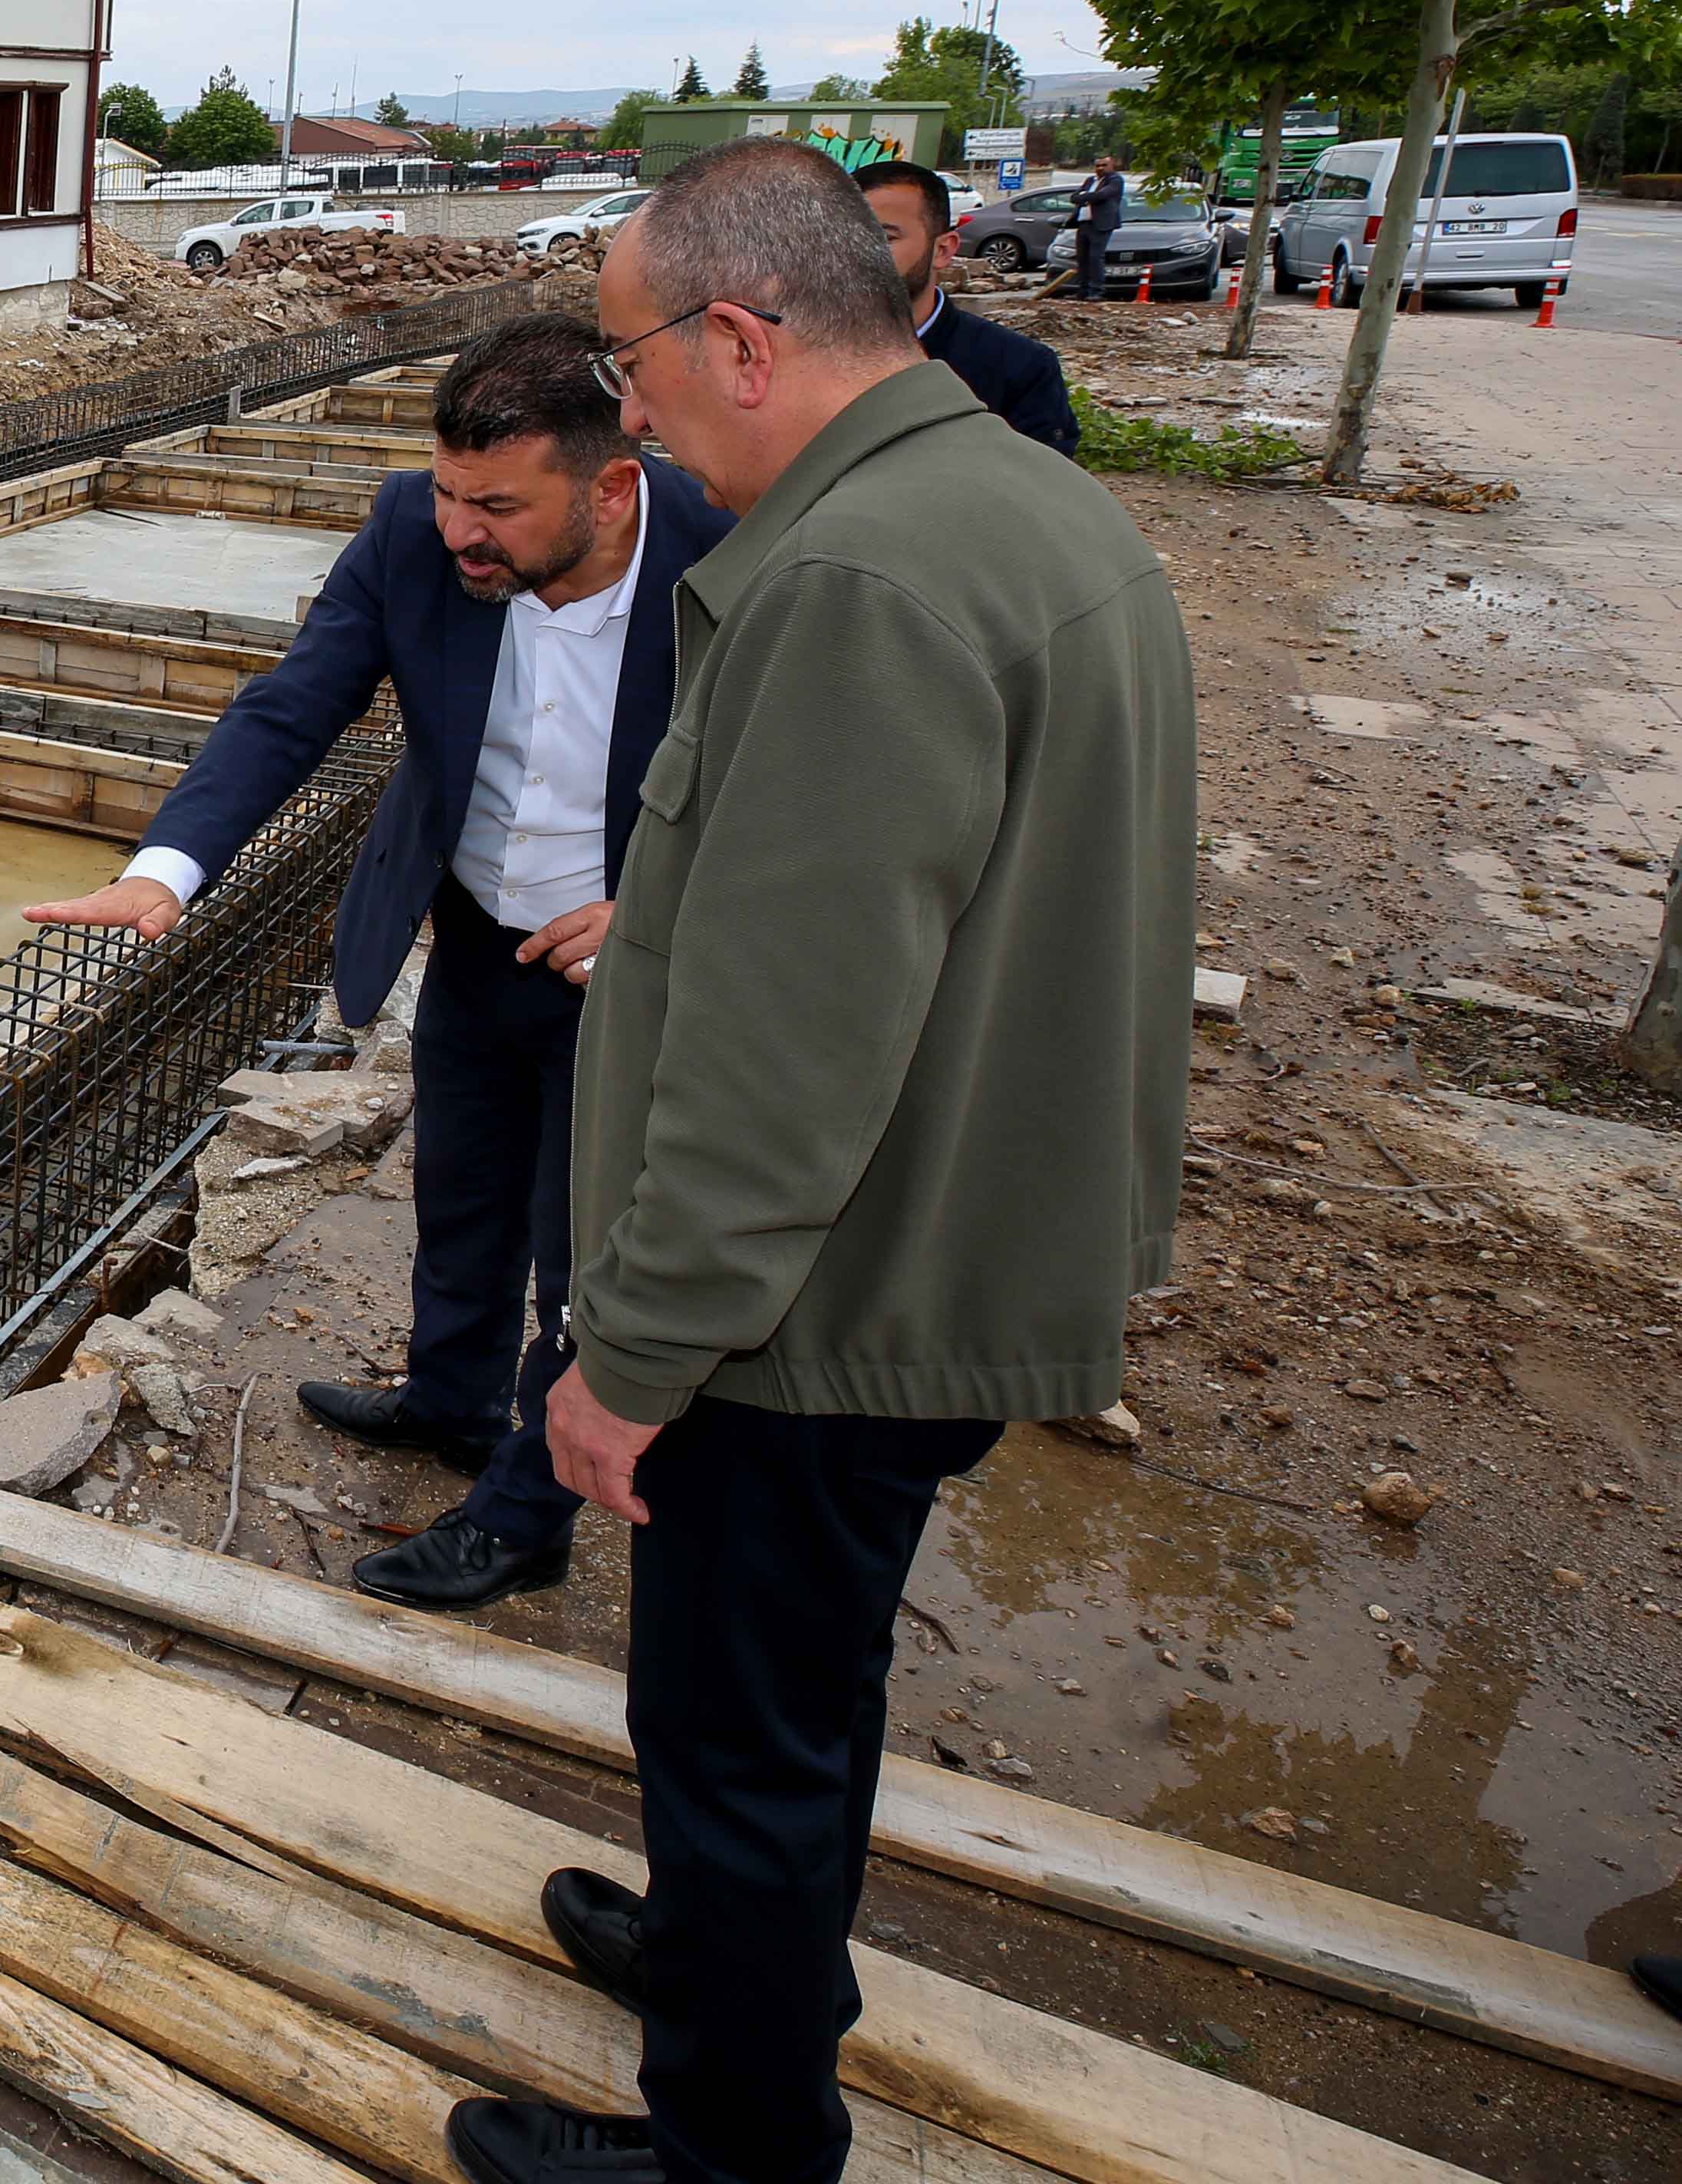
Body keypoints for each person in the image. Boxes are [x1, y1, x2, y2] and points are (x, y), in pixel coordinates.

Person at [444, 138, 1193, 2184]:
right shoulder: (1012, 506)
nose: (633, 419)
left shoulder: (855, 581)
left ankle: (733, 2144)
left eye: (634, 365)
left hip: (825, 1309)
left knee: (740, 1730)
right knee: (796, 1688)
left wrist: (631, 1356)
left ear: (744, 339)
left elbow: (789, 1052)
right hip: (948, 1247)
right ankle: (713, 1949)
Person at [25, 315, 730, 1611]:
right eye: (451, 491)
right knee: (463, 1195)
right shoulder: (415, 529)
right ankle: (451, 1402)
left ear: (613, 484)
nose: (461, 530)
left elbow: (805, 785)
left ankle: (528, 1509)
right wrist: (165, 868)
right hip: (474, 929)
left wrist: (658, 909)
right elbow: (296, 701)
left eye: (500, 506)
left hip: (631, 972)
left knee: (585, 1251)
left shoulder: (733, 556)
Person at [855, 158, 1076, 456]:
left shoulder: (1018, 370)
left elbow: (1038, 493)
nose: (855, 254)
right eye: (845, 237)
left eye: (885, 237)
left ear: (943, 249)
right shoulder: (788, 352)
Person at [1065, 152, 1129, 299]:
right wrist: (1086, 197)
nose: (1100, 168)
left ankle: (1097, 291)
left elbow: (1101, 196)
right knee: (1082, 258)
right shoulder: (1089, 180)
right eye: (1098, 165)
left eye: (1104, 165)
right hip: (1083, 223)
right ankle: (1082, 291)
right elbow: (1074, 197)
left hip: (1101, 224)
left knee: (1095, 257)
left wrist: (1085, 197)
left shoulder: (1115, 180)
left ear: (1112, 165)